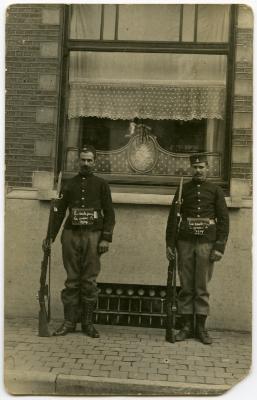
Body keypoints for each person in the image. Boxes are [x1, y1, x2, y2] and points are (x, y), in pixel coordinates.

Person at [42, 145, 115, 338]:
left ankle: (87, 323)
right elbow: (58, 213)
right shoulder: (69, 184)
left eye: (89, 160)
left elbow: (109, 213)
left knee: (89, 280)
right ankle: (69, 322)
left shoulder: (101, 185)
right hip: (71, 235)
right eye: (83, 160)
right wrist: (50, 236)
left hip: (93, 236)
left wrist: (105, 238)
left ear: (95, 162)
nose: (86, 163)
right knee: (72, 280)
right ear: (78, 161)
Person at [166, 154, 229, 345]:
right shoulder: (183, 189)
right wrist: (169, 244)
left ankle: (200, 327)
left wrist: (219, 247)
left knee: (201, 286)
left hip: (206, 243)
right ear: (190, 169)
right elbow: (173, 218)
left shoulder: (215, 190)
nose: (198, 170)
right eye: (195, 167)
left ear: (207, 168)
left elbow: (224, 220)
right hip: (184, 242)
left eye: (201, 167)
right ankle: (186, 327)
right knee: (186, 285)